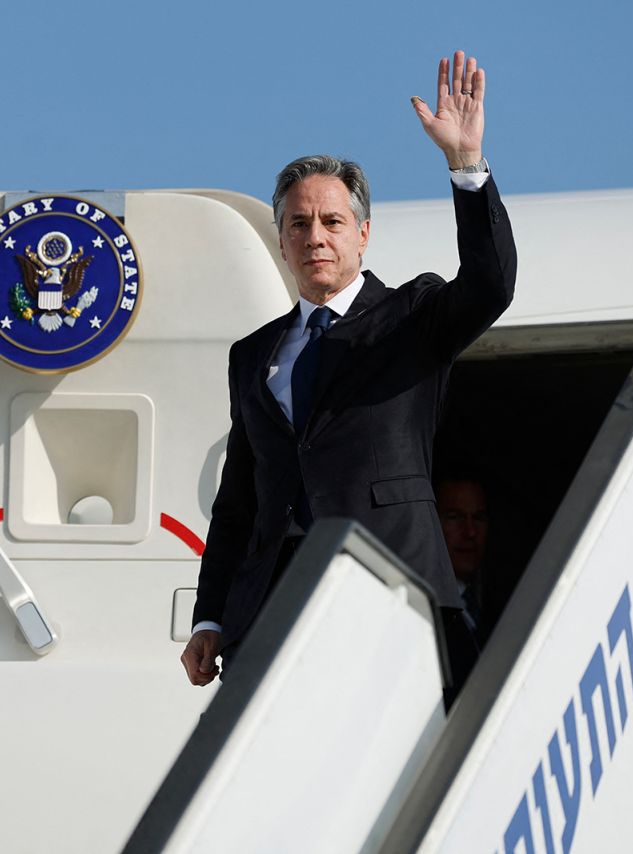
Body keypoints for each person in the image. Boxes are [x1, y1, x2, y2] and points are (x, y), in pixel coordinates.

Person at [181, 51, 516, 688]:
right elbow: (239, 502)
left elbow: (491, 285)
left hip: (390, 592)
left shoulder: (411, 317)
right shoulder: (252, 354)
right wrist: (210, 617)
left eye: (332, 222)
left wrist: (466, 167)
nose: (315, 237)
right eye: (298, 224)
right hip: (270, 614)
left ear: (362, 235)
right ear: (281, 242)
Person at [435, 475, 492, 642]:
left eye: (479, 517)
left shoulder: (509, 606)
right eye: (455, 517)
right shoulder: (420, 607)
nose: (470, 532)